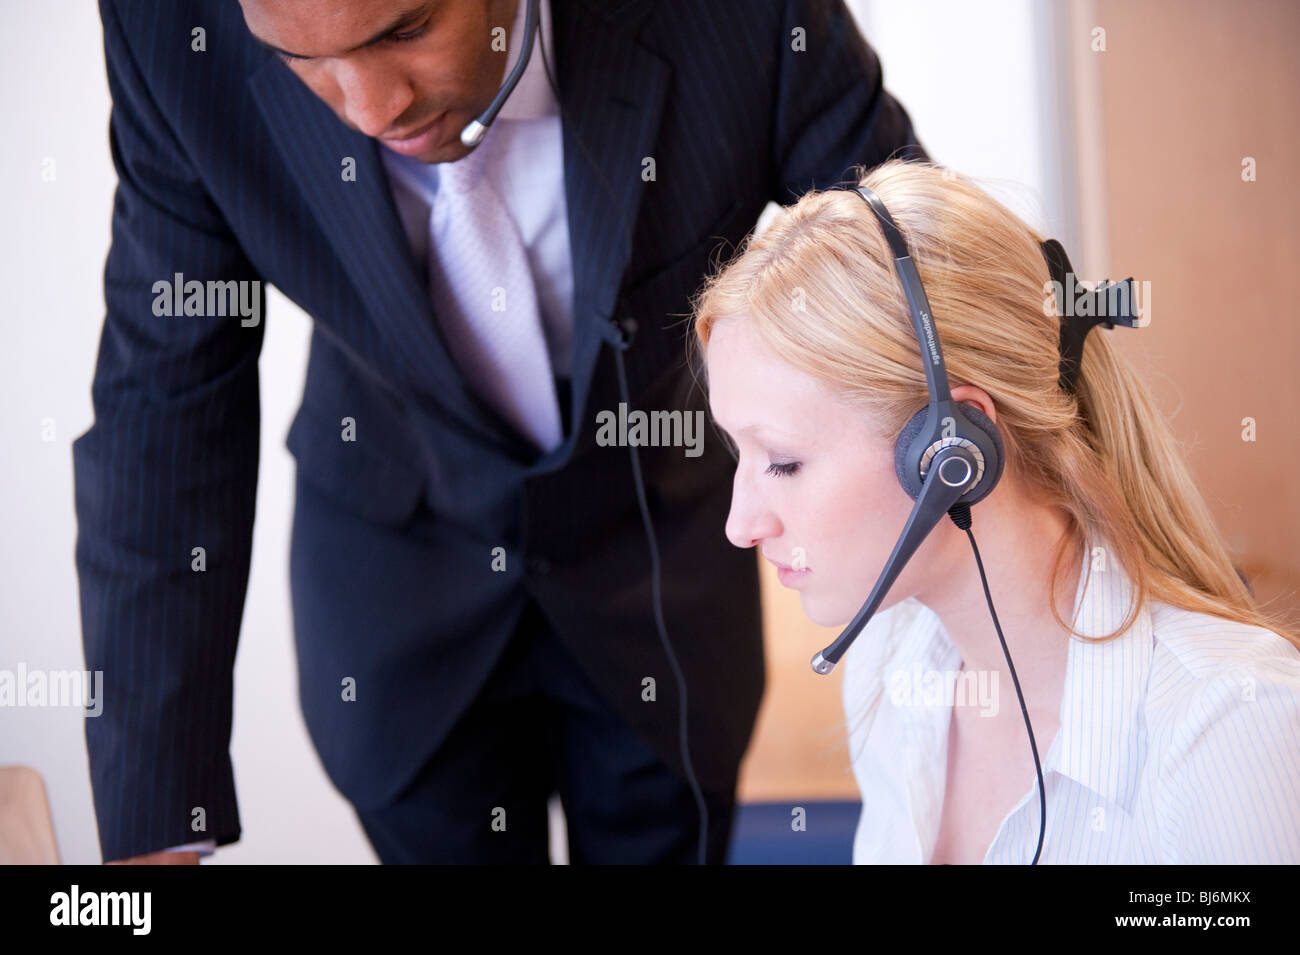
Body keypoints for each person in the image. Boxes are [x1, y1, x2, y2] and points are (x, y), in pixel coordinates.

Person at [73, 0, 928, 863]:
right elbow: (163, 407)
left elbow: (920, 285)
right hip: (402, 603)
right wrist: (156, 828)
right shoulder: (169, 33)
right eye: (302, 59)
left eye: (404, 32)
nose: (372, 110)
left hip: (658, 581)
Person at [692, 158, 1300, 864]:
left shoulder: (1225, 732)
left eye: (784, 461)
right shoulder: (892, 663)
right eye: (739, 455)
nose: (741, 525)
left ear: (951, 450)